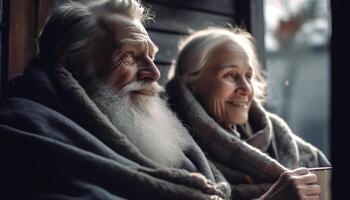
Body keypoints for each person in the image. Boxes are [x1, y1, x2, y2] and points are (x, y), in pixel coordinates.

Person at [0, 1, 231, 199]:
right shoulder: (20, 130)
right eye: (129, 57)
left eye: (151, 57)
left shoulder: (168, 141)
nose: (154, 72)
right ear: (72, 67)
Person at [166, 27, 331, 200]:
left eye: (248, 76)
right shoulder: (174, 154)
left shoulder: (291, 145)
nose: (246, 89)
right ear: (191, 83)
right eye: (230, 75)